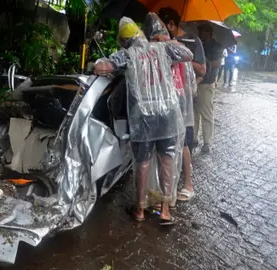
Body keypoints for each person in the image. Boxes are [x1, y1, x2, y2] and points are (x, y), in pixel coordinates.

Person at [94, 16, 193, 225]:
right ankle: (165, 211)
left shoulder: (127, 54)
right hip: (168, 114)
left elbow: (103, 68)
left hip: (144, 117)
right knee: (167, 160)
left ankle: (139, 209)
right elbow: (188, 54)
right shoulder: (162, 49)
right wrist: (164, 40)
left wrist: (99, 62)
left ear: (124, 41)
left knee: (143, 162)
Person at [158, 7, 204, 201]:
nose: (160, 30)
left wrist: (174, 48)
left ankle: (188, 185)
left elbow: (202, 69)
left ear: (170, 24)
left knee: (184, 142)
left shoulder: (193, 41)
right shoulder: (159, 42)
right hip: (165, 98)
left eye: (162, 26)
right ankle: (167, 184)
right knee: (166, 142)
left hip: (183, 100)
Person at [195, 23, 224, 154]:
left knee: (206, 113)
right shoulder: (197, 43)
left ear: (209, 33)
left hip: (207, 83)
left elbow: (218, 63)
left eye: (203, 32)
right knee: (194, 112)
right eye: (200, 31)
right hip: (195, 82)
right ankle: (194, 138)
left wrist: (205, 61)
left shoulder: (216, 46)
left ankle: (207, 142)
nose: (200, 34)